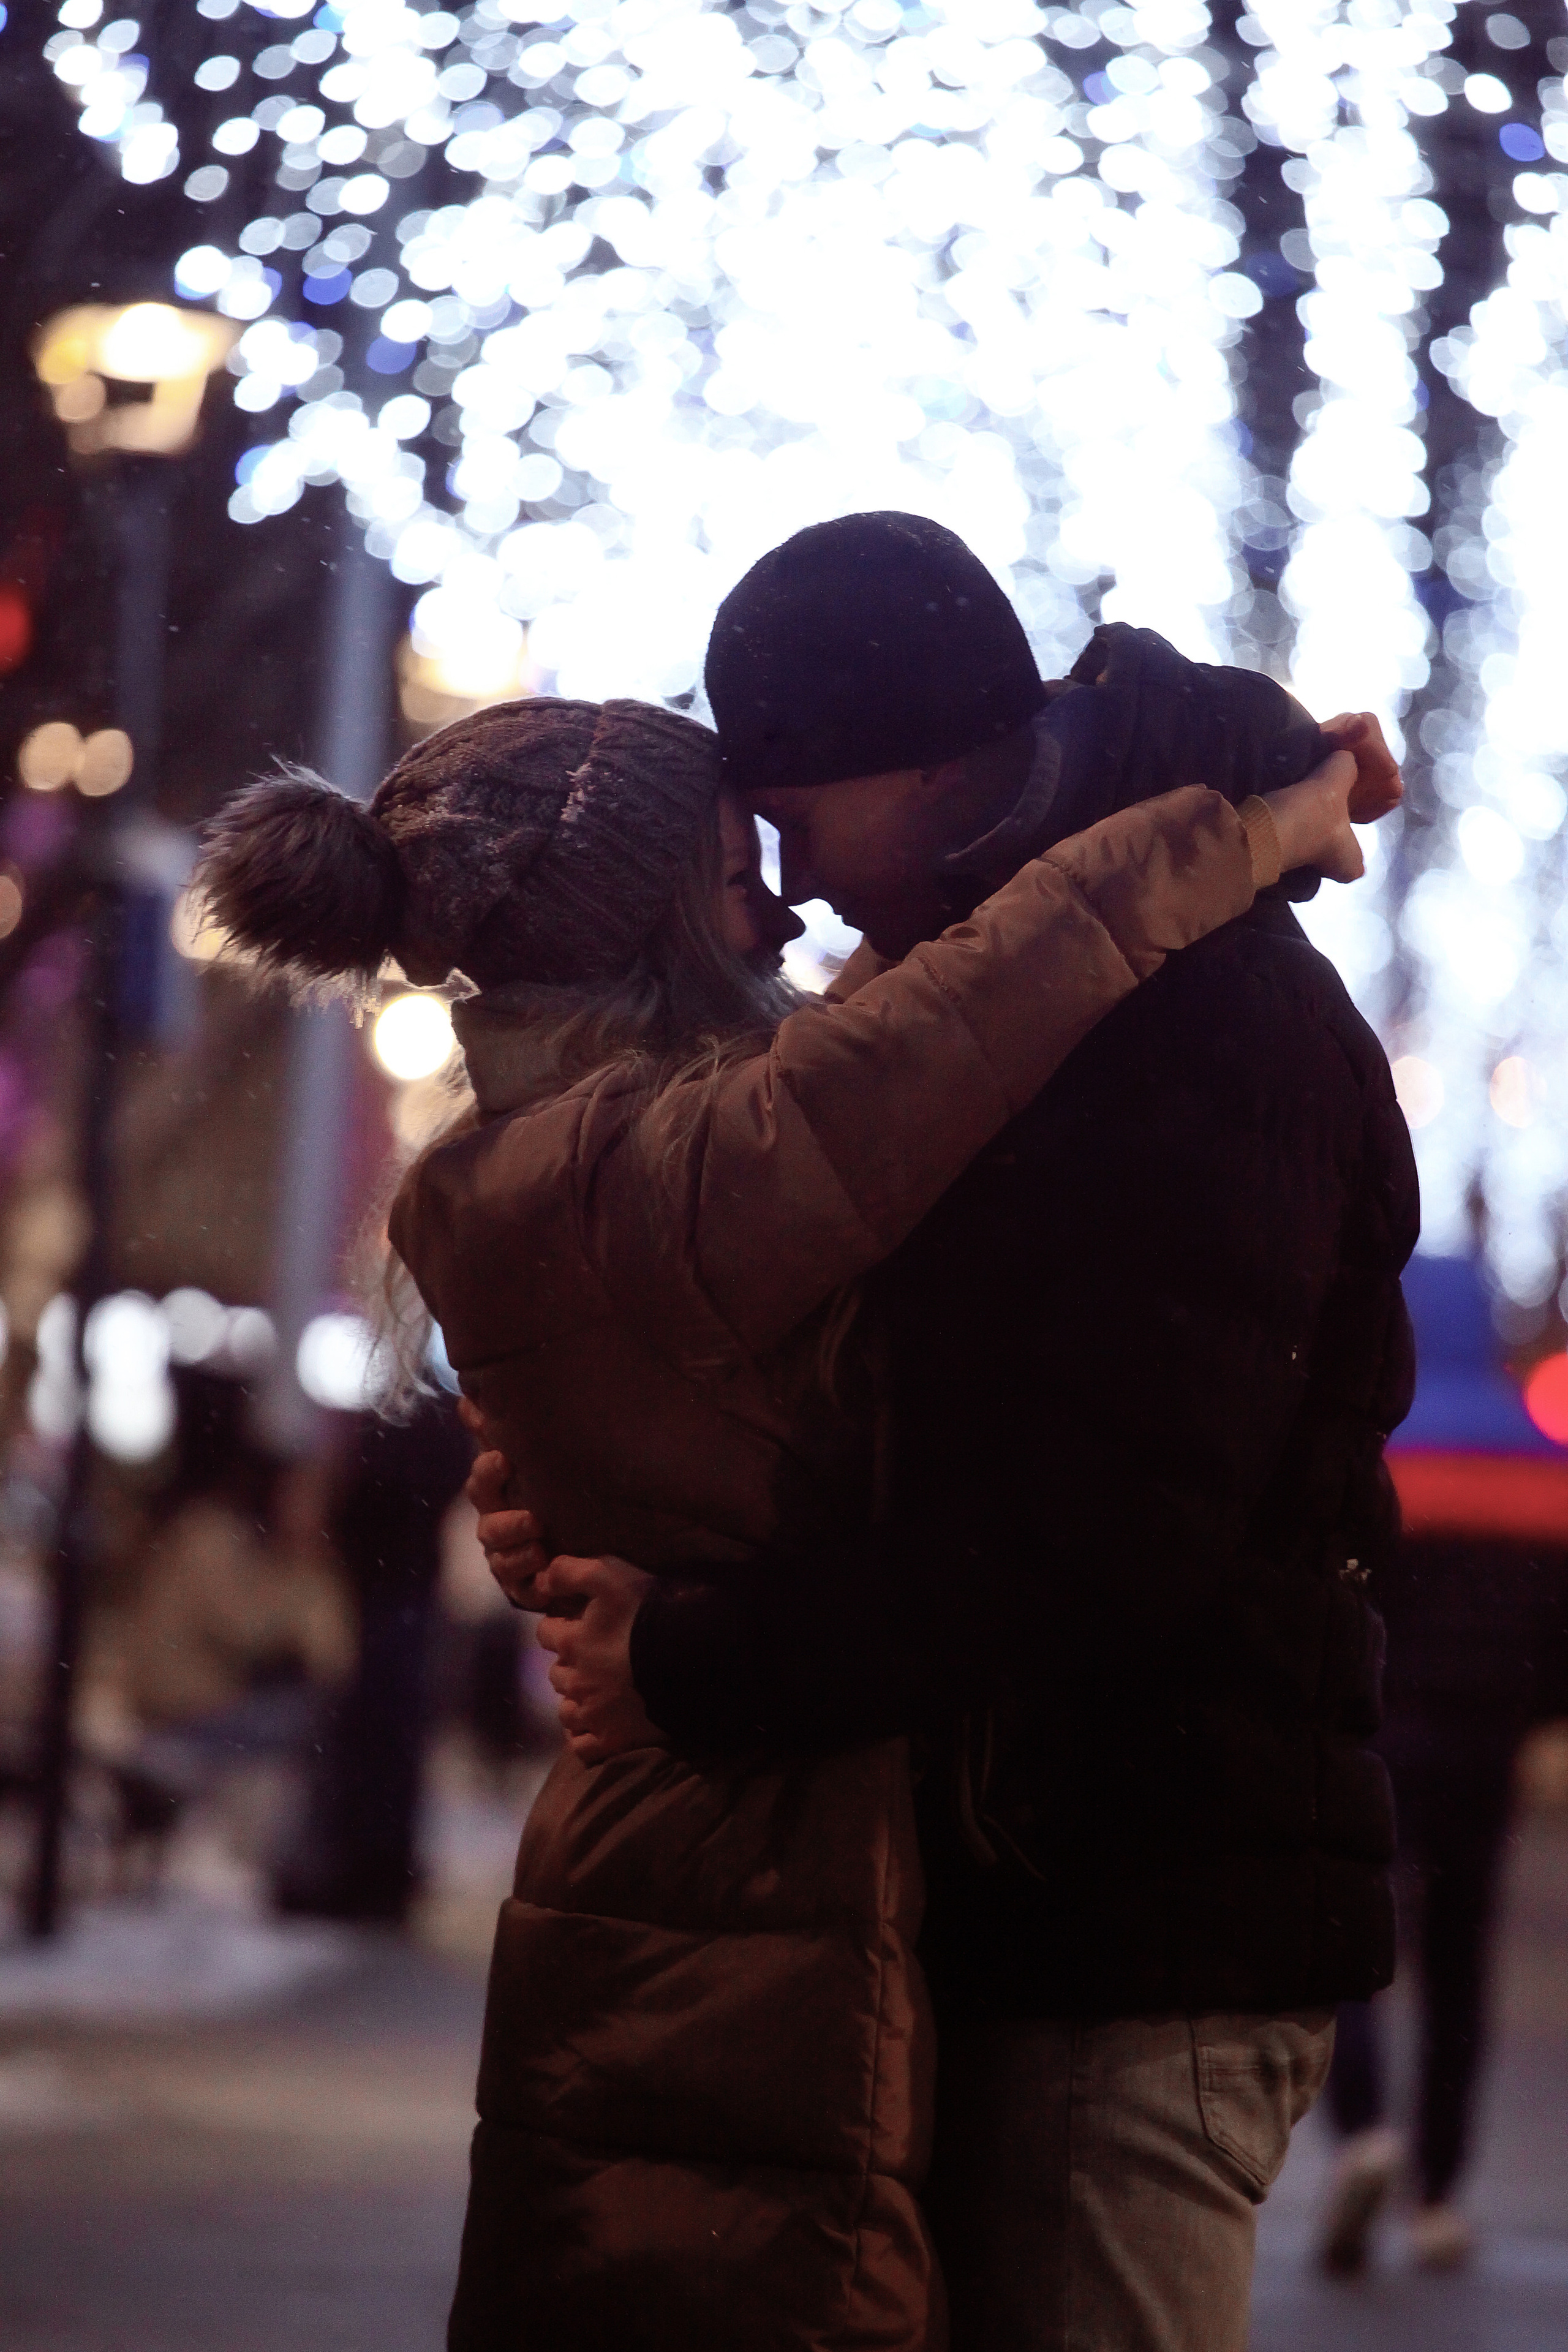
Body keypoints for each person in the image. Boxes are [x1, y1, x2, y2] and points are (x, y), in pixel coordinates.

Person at [192, 676, 1378, 2352]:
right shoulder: (686, 1166)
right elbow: (987, 993)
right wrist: (1260, 815)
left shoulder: (548, 1162)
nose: (788, 900)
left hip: (691, 1856)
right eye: (741, 859)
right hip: (737, 1883)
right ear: (656, 905)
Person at [475, 514, 1419, 2352]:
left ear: (921, 761)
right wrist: (615, 1505)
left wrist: (699, 1658)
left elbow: (1098, 1536)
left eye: (801, 820)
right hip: (1024, 1894)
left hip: (1127, 1916)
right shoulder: (995, 993)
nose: (793, 885)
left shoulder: (1190, 1018)